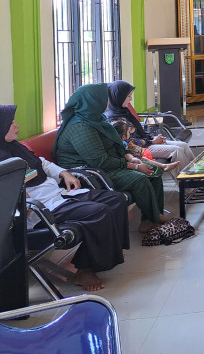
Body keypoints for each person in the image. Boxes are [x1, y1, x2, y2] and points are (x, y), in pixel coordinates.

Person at [1, 105, 129, 292]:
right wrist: (19, 196)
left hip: (58, 195)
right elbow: (11, 196)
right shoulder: (3, 160)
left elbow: (42, 163)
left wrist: (64, 173)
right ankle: (85, 269)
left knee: (116, 200)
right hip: (41, 210)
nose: (16, 125)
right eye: (11, 122)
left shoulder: (17, 147)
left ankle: (110, 251)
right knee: (101, 212)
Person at [55, 84, 170, 233]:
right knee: (140, 179)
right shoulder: (80, 127)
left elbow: (117, 143)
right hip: (90, 172)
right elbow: (99, 161)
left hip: (108, 164)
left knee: (153, 170)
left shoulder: (97, 118)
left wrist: (129, 157)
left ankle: (151, 218)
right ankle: (154, 219)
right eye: (104, 98)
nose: (107, 101)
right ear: (94, 101)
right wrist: (134, 166)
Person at [104, 81, 194, 169]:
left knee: (183, 145)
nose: (131, 99)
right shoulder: (114, 119)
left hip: (146, 142)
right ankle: (186, 178)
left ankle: (197, 172)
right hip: (139, 149)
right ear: (119, 97)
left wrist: (152, 138)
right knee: (176, 151)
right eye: (128, 96)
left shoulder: (124, 112)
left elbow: (139, 131)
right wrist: (152, 142)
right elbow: (126, 143)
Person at [111, 120, 181, 174]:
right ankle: (164, 166)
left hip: (137, 153)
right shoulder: (121, 143)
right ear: (123, 137)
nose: (130, 133)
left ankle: (164, 166)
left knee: (143, 159)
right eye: (129, 132)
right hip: (131, 159)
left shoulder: (122, 142)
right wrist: (151, 142)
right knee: (145, 161)